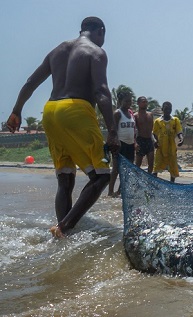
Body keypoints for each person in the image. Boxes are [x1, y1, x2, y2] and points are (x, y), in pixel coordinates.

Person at [5, 17, 120, 238]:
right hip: (76, 111)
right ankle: (64, 227)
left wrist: (16, 111)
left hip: (50, 112)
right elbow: (101, 91)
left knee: (65, 178)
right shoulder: (95, 52)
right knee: (103, 175)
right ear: (101, 31)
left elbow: (31, 82)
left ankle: (63, 232)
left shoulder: (58, 50)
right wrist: (112, 131)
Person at [108, 90, 135, 197]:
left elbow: (134, 130)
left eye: (130, 101)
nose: (129, 103)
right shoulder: (117, 113)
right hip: (120, 144)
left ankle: (119, 191)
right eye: (126, 101)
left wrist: (135, 143)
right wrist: (114, 143)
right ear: (120, 101)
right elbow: (113, 129)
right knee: (116, 170)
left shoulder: (131, 113)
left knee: (127, 170)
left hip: (130, 144)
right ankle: (110, 191)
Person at [152, 101, 183, 182]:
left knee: (173, 168)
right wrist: (155, 141)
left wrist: (181, 139)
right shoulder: (158, 121)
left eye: (170, 109)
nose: (168, 110)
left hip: (171, 148)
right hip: (161, 148)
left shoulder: (175, 120)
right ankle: (155, 185)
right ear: (162, 109)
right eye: (166, 109)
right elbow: (154, 133)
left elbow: (179, 131)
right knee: (156, 168)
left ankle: (171, 185)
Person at [134, 96, 155, 173]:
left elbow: (152, 128)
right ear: (138, 103)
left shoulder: (150, 114)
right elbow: (134, 130)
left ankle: (148, 180)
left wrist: (154, 139)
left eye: (146, 102)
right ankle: (137, 180)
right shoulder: (135, 115)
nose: (145, 103)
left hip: (149, 140)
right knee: (138, 164)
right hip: (140, 140)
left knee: (151, 163)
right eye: (143, 102)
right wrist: (135, 142)